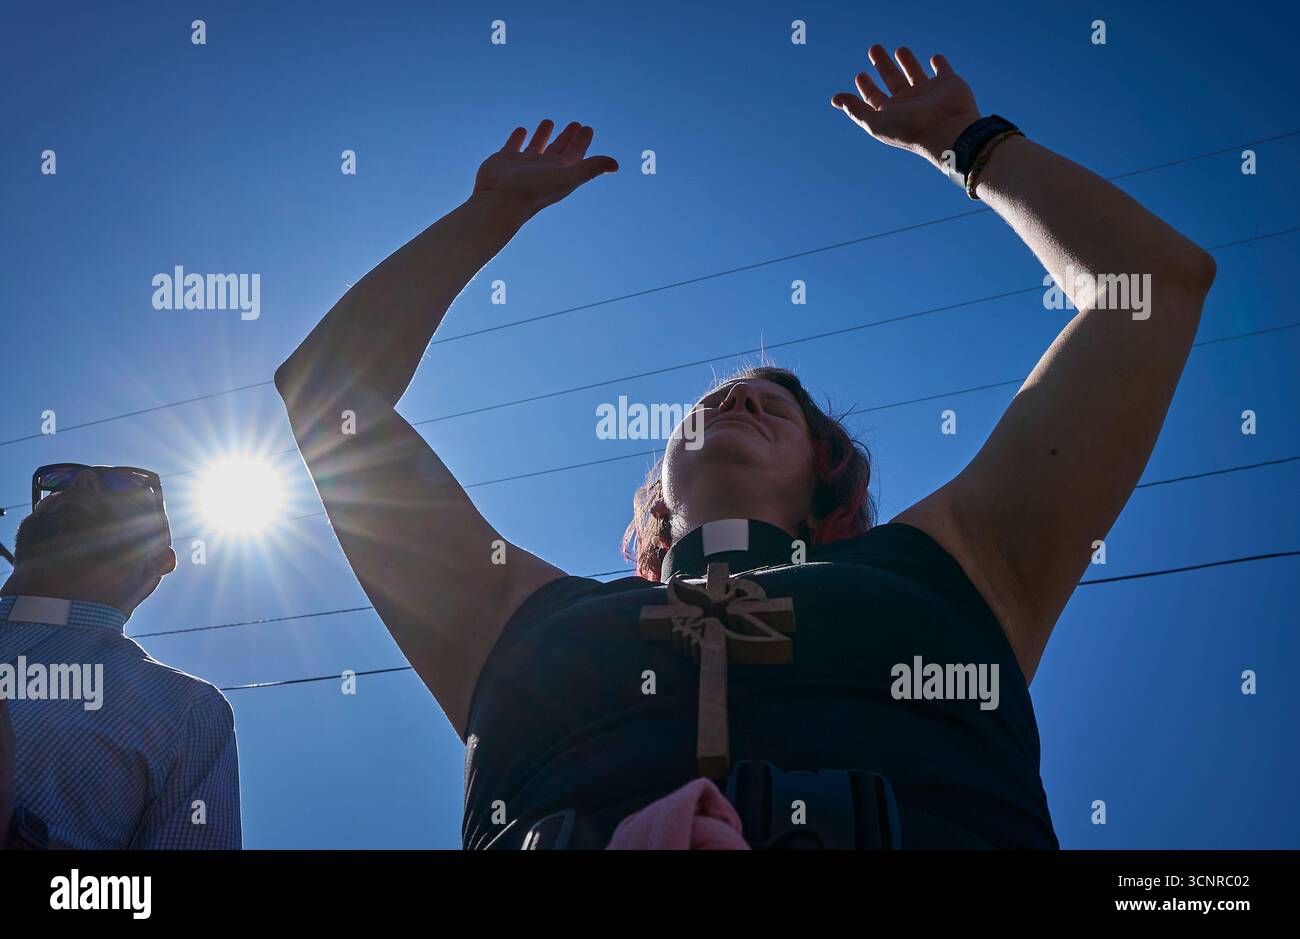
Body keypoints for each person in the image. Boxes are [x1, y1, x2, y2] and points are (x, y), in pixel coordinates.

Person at [274, 42, 1215, 849]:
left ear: (827, 472)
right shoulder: (514, 614)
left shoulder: (958, 565)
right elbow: (327, 395)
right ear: (658, 491)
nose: (735, 397)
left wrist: (969, 144)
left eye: (776, 405)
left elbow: (1150, 287)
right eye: (716, 399)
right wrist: (486, 216)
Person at [0, 464, 242, 849]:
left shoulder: (186, 709)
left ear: (158, 560)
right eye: (61, 482)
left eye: (122, 486)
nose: (82, 481)